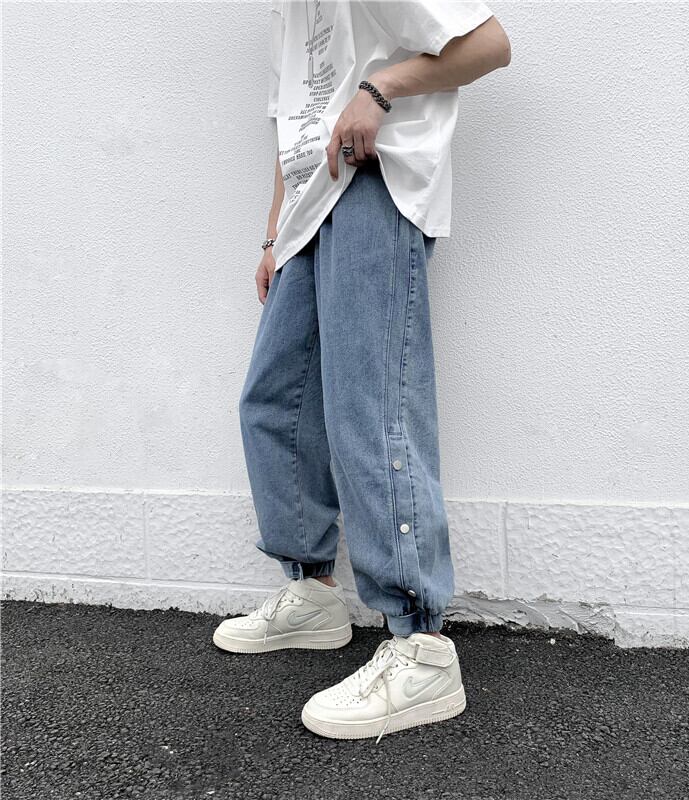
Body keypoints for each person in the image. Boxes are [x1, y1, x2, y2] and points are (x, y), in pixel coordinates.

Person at [214, 0, 511, 742]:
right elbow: (292, 125)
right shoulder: (287, 14)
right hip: (307, 214)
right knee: (274, 401)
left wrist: (380, 90)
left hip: (375, 187)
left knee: (371, 404)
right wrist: (273, 234)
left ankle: (421, 646)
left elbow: (490, 44)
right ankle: (313, 595)